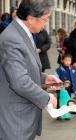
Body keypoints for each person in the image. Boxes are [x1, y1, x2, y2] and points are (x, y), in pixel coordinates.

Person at [0, 0, 61, 140]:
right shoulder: (12, 39)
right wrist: (46, 98)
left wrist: (44, 78)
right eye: (45, 19)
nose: (46, 23)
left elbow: (22, 68)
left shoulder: (21, 32)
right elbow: (19, 81)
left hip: (22, 117)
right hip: (15, 121)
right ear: (31, 18)